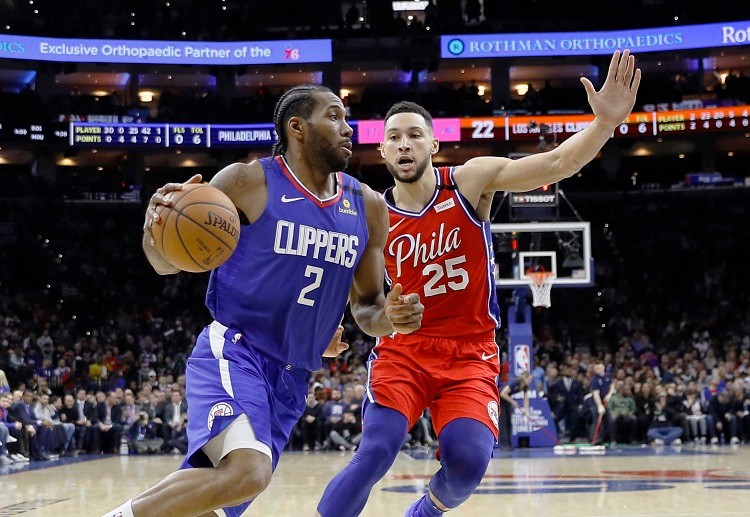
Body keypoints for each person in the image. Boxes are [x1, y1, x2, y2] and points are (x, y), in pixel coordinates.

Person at [317, 49, 640, 517]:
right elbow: (365, 312)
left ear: (433, 144)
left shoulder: (470, 182)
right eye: (394, 137)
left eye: (414, 135)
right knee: (376, 450)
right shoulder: (369, 215)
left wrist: (604, 124)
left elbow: (556, 165)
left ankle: (423, 512)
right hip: (405, 353)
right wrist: (384, 319)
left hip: (470, 353)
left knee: (467, 466)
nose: (404, 144)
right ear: (382, 151)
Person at [103, 84, 423, 517]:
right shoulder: (248, 180)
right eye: (334, 116)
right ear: (297, 127)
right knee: (249, 473)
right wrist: (155, 228)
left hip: (293, 378)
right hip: (239, 350)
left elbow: (368, 308)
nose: (348, 128)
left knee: (217, 501)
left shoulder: (366, 205)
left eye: (346, 118)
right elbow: (165, 265)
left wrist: (392, 318)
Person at [499, 371, 532, 449]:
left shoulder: (525, 387)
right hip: (500, 400)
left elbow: (526, 401)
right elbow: (502, 393)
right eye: (529, 379)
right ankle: (504, 445)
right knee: (503, 423)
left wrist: (527, 413)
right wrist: (513, 402)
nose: (530, 381)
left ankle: (509, 445)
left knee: (509, 423)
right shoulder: (516, 382)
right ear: (525, 378)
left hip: (507, 401)